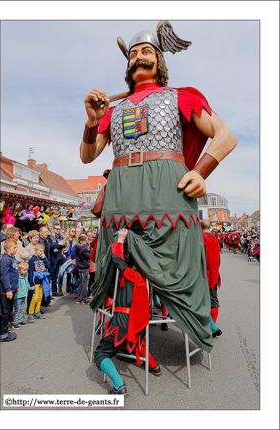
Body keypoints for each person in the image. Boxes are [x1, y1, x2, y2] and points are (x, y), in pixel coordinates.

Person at [80, 21, 237, 352]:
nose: (138, 57)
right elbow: (88, 156)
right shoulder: (114, 108)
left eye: (146, 51)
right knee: (120, 258)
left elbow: (225, 136)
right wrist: (92, 122)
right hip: (122, 191)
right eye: (133, 54)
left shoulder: (180, 97)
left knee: (173, 255)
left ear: (160, 61)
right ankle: (123, 333)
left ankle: (180, 318)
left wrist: (201, 171)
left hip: (168, 190)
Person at [93, 228, 161, 396]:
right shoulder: (145, 280)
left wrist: (121, 239)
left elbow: (117, 260)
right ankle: (154, 366)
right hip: (138, 321)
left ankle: (119, 386)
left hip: (124, 319)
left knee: (100, 354)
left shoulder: (134, 276)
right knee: (139, 343)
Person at [201, 219, 222, 337]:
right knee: (214, 301)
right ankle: (213, 327)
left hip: (202, 276)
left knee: (200, 302)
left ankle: (211, 327)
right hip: (214, 274)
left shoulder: (199, 239)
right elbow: (218, 260)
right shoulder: (215, 240)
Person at [0, 239, 19, 342]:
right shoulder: (5, 260)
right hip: (6, 290)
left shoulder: (11, 258)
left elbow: (14, 274)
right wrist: (8, 290)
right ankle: (3, 334)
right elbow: (4, 276)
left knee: (7, 311)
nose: (16, 249)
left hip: (12, 288)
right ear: (7, 249)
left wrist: (16, 287)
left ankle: (4, 331)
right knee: (5, 312)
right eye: (14, 248)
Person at [28, 244, 50, 322]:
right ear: (35, 250)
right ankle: (30, 313)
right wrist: (31, 283)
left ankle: (37, 312)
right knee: (35, 298)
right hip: (35, 281)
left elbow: (48, 266)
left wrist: (45, 258)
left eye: (42, 251)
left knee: (40, 297)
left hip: (42, 281)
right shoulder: (32, 259)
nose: (41, 252)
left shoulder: (42, 258)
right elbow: (30, 272)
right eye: (40, 251)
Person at [47, 223, 65, 297]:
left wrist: (63, 244)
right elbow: (49, 246)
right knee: (50, 277)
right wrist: (58, 244)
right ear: (53, 229)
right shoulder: (49, 237)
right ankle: (48, 294)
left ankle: (54, 292)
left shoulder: (60, 236)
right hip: (52, 259)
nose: (58, 230)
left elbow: (63, 246)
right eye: (56, 229)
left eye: (59, 229)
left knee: (55, 277)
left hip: (58, 258)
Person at [59, 226, 78, 294]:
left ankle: (68, 287)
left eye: (74, 231)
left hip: (72, 258)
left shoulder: (76, 240)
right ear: (69, 232)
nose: (73, 232)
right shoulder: (65, 239)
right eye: (72, 231)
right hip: (65, 257)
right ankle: (60, 288)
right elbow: (61, 248)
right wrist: (62, 254)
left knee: (69, 273)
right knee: (62, 273)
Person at [12, 262, 30, 329]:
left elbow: (27, 282)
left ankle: (20, 320)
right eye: (24, 270)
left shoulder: (25, 276)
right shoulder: (17, 277)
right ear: (19, 270)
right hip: (18, 296)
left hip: (24, 294)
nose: (25, 272)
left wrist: (29, 287)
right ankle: (15, 322)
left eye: (26, 270)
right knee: (17, 309)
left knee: (21, 308)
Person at [74, 234, 92, 305]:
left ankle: (79, 298)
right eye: (85, 240)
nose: (86, 242)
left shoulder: (78, 248)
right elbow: (89, 256)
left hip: (80, 267)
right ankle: (85, 299)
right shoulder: (83, 249)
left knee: (81, 283)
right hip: (84, 267)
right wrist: (89, 250)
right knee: (85, 284)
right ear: (82, 241)